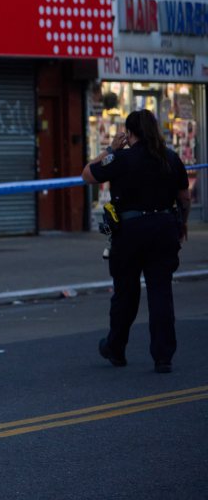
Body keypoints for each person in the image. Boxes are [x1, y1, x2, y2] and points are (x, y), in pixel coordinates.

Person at [83, 109, 189, 374]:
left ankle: (116, 348)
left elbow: (87, 174)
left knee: (126, 293)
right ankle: (163, 356)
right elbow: (184, 197)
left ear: (130, 134)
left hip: (129, 232)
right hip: (163, 229)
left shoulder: (121, 158)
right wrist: (182, 224)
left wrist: (110, 149)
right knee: (161, 292)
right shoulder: (171, 159)